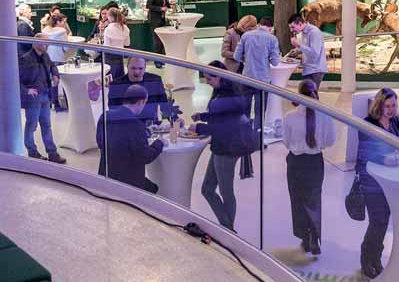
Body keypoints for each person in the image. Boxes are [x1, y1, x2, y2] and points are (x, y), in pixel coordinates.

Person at [189, 61, 251, 231]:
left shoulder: (228, 97)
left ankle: (228, 230)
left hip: (227, 148)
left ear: (219, 77)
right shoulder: (224, 92)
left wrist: (199, 127)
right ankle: (227, 228)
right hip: (222, 146)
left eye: (210, 79)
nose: (208, 83)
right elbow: (221, 117)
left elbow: (222, 127)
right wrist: (202, 116)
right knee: (207, 189)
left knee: (225, 191)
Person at [356, 87, 399, 279]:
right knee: (378, 221)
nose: (392, 110)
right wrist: (384, 160)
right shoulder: (368, 124)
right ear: (379, 106)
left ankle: (375, 259)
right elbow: (364, 152)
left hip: (391, 183)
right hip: (372, 183)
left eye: (394, 105)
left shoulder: (395, 122)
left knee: (383, 223)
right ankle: (366, 259)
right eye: (388, 106)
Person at [283, 79, 336, 255]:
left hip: (296, 162)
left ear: (299, 95)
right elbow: (330, 141)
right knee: (313, 200)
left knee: (297, 199)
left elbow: (286, 142)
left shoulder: (290, 117)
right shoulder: (326, 115)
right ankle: (314, 235)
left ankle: (304, 236)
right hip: (315, 162)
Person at [96, 84, 164, 193]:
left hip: (106, 175)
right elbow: (145, 157)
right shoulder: (136, 125)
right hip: (129, 183)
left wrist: (146, 131)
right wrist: (159, 143)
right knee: (154, 189)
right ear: (141, 102)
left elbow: (101, 143)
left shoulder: (105, 116)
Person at [18, 33, 67, 163]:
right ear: (35, 43)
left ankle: (52, 153)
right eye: (44, 42)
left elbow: (52, 66)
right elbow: (16, 79)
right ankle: (32, 152)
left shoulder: (45, 56)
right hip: (33, 98)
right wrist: (26, 91)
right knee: (31, 126)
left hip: (45, 95)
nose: (47, 44)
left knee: (46, 125)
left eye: (48, 42)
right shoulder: (25, 59)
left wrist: (55, 74)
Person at [234, 16, 280, 126]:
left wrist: (247, 60)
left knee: (245, 110)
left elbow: (236, 56)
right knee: (260, 112)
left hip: (247, 78)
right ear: (270, 28)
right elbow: (275, 62)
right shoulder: (272, 39)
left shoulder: (246, 36)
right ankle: (258, 133)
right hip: (263, 80)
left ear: (259, 24)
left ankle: (245, 132)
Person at [108, 56, 177, 124]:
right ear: (127, 67)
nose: (137, 72)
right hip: (127, 125)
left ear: (145, 68)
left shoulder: (155, 81)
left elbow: (164, 106)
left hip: (151, 126)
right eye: (133, 68)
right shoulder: (116, 85)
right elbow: (113, 111)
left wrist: (175, 120)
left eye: (140, 68)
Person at [288, 13, 327, 88]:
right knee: (306, 93)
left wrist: (299, 45)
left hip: (315, 70)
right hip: (308, 69)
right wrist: (298, 51)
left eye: (292, 27)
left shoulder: (314, 32)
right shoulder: (303, 32)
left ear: (300, 23)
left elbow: (315, 53)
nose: (291, 30)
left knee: (309, 93)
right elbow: (307, 48)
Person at [146, 0, 175, 68]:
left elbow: (165, 3)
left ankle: (162, 60)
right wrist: (160, 9)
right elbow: (148, 6)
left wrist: (170, 5)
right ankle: (157, 61)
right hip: (154, 20)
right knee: (157, 42)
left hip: (162, 19)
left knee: (162, 40)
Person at [103, 7, 131, 79]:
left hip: (109, 55)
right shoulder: (125, 28)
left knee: (109, 75)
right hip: (120, 54)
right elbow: (127, 44)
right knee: (119, 75)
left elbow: (106, 45)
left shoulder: (108, 29)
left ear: (111, 17)